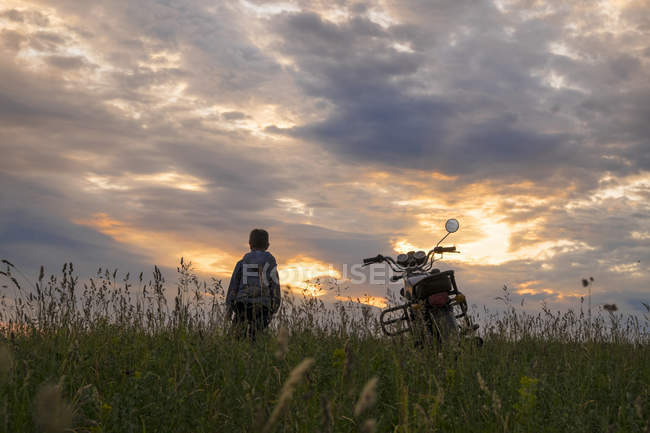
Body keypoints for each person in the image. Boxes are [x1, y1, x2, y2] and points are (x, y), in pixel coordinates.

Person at [225, 229, 281, 340]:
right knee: (256, 336)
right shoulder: (271, 265)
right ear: (267, 245)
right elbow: (275, 287)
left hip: (243, 305)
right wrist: (274, 307)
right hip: (263, 307)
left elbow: (233, 286)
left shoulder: (242, 263)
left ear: (250, 244)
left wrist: (229, 308)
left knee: (234, 337)